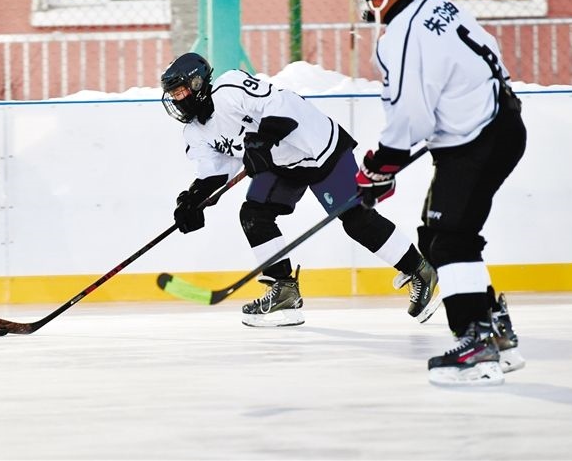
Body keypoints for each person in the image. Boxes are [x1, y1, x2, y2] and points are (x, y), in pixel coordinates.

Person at [160, 52, 439, 327]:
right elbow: (215, 171)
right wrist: (192, 201)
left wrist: (260, 143)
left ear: (197, 84)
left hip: (318, 147)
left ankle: (419, 270)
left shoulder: (229, 88)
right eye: (172, 95)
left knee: (356, 220)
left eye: (180, 91)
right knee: (254, 215)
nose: (176, 100)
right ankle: (284, 290)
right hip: (282, 163)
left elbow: (280, 107)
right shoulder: (195, 132)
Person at [355, 0, 527, 385]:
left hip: (476, 139)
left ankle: (476, 346)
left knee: (450, 241)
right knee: (437, 237)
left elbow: (411, 117)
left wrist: (380, 166)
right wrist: (386, 166)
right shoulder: (440, 7)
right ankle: (495, 332)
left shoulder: (398, 36)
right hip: (499, 125)